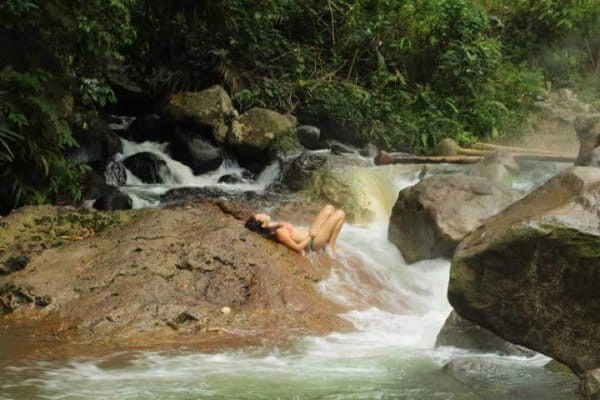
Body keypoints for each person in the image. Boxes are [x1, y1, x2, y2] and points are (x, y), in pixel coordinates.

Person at [244, 204, 345, 253]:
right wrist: (311, 236)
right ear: (263, 225)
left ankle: (328, 243)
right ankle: (331, 246)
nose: (263, 213)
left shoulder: (274, 226)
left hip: (310, 233)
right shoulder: (279, 232)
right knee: (341, 214)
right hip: (313, 241)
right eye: (261, 216)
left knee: (329, 208)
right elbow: (297, 248)